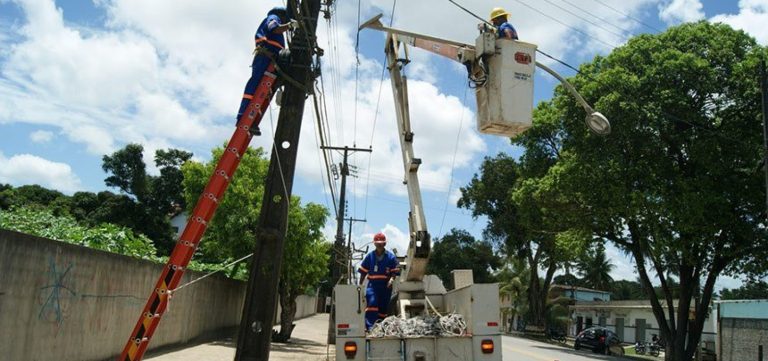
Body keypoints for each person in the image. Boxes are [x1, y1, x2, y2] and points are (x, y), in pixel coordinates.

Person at [236, 7, 295, 136]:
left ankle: (252, 120)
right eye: (286, 18)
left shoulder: (279, 31)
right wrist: (289, 25)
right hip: (264, 57)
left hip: (271, 60)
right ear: (281, 15)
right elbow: (274, 27)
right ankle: (242, 117)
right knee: (255, 85)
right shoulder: (273, 18)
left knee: (264, 91)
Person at [358, 232, 400, 330]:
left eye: (381, 243)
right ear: (374, 244)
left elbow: (395, 272)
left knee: (383, 308)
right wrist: (360, 285)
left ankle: (380, 327)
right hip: (372, 286)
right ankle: (370, 327)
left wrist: (391, 279)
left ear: (385, 244)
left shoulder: (391, 257)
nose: (379, 245)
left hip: (386, 287)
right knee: (372, 303)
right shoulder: (370, 256)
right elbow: (363, 272)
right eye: (377, 243)